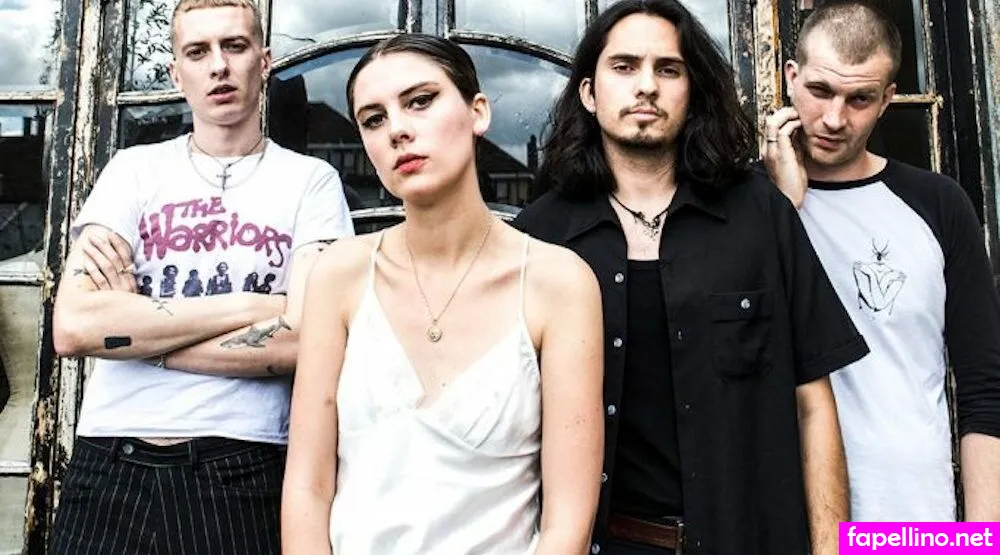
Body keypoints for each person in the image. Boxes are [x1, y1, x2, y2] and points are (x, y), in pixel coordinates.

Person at [514, 1, 870, 553]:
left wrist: (831, 548)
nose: (646, 86)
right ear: (589, 93)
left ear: (693, 90)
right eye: (624, 67)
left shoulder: (759, 214)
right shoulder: (541, 236)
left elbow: (813, 403)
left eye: (668, 69)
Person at [49, 1, 354, 554]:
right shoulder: (132, 171)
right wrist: (256, 306)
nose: (218, 66)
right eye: (197, 52)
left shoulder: (311, 182)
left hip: (241, 464)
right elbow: (75, 327)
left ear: (264, 61)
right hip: (110, 461)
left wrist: (142, 339)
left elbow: (305, 339)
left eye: (234, 46)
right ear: (176, 73)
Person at [281, 34, 604, 555]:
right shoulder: (339, 275)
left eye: (420, 101)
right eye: (373, 119)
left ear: (478, 112)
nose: (397, 129)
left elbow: (568, 522)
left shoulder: (558, 283)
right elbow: (307, 487)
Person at [764, 0, 1000, 522]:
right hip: (786, 525)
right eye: (820, 90)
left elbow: (985, 386)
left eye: (860, 99)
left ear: (888, 99)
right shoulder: (748, 207)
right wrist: (783, 209)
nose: (834, 118)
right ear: (791, 78)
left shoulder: (938, 204)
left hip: (911, 525)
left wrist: (985, 538)